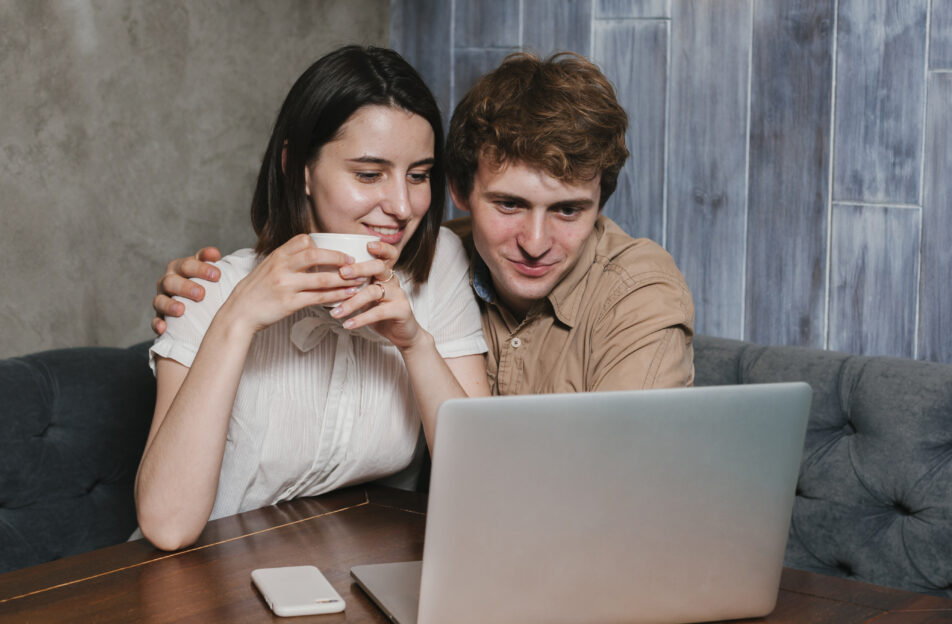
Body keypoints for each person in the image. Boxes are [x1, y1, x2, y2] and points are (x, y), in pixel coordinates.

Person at [155, 51, 694, 397]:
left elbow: (625, 490)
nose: (534, 243)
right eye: (508, 205)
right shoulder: (426, 252)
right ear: (457, 192)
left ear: (600, 202)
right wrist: (208, 293)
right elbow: (312, 251)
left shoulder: (637, 293)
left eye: (568, 210)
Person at [137, 45, 488, 551]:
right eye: (368, 174)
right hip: (206, 580)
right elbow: (167, 527)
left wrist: (416, 345)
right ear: (299, 167)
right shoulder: (207, 289)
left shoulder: (438, 265)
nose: (402, 207)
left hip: (356, 575)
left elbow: (482, 486)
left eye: (418, 175)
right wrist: (236, 319)